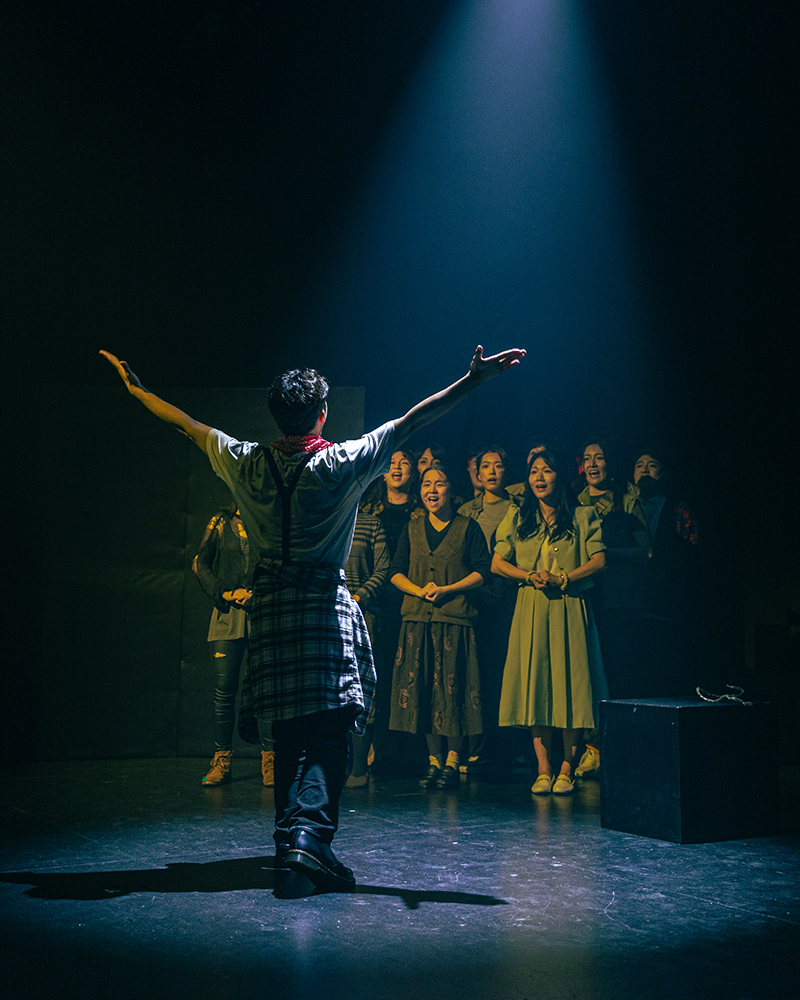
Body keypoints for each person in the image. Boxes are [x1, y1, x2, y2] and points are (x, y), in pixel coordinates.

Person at [100, 343, 525, 894]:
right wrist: (471, 382)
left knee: (288, 728)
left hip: (272, 609)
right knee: (328, 729)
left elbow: (188, 425)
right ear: (322, 413)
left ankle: (292, 846)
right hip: (322, 604)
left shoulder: (246, 461)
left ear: (276, 414)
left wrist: (138, 391)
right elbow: (412, 421)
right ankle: (308, 839)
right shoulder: (341, 462)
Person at [492, 451, 608, 795]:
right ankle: (543, 769)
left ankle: (567, 768)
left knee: (571, 687)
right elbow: (497, 563)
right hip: (531, 608)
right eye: (533, 471)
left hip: (569, 606)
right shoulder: (519, 515)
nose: (539, 477)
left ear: (561, 476)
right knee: (536, 687)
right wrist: (528, 576)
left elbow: (599, 561)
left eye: (547, 470)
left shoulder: (583, 514)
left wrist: (564, 579)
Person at [388, 463, 491, 789]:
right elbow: (395, 571)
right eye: (426, 484)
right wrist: (418, 590)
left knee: (453, 690)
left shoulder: (467, 527)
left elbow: (483, 571)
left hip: (454, 621)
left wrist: (447, 589)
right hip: (417, 621)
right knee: (425, 692)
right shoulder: (412, 527)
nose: (432, 490)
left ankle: (453, 760)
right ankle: (433, 759)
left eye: (440, 483)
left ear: (451, 489)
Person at [574, 436, 651, 778]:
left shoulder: (627, 500)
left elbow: (645, 551)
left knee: (620, 674)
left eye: (599, 457)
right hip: (586, 598)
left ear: (609, 463)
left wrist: (605, 553)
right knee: (589, 675)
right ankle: (592, 748)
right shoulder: (574, 501)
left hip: (621, 600)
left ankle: (622, 749)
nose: (593, 464)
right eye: (588, 458)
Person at [192, 502, 276, 786]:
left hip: (263, 612)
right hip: (227, 614)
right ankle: (222, 760)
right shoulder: (221, 522)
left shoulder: (268, 519)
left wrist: (258, 593)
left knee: (267, 689)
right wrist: (224, 593)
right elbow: (199, 562)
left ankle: (271, 760)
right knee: (224, 690)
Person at [457, 447, 520, 775]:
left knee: (507, 675)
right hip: (474, 601)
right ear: (477, 473)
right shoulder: (466, 511)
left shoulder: (520, 507)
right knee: (477, 675)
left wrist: (504, 587)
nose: (492, 471)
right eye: (486, 466)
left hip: (510, 599)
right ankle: (479, 749)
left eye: (498, 466)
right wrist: (480, 589)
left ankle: (508, 749)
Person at [343, 510, 390, 787]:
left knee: (362, 688)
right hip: (326, 614)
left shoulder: (371, 524)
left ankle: (359, 767)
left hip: (364, 616)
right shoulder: (325, 517)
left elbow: (383, 569)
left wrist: (358, 597)